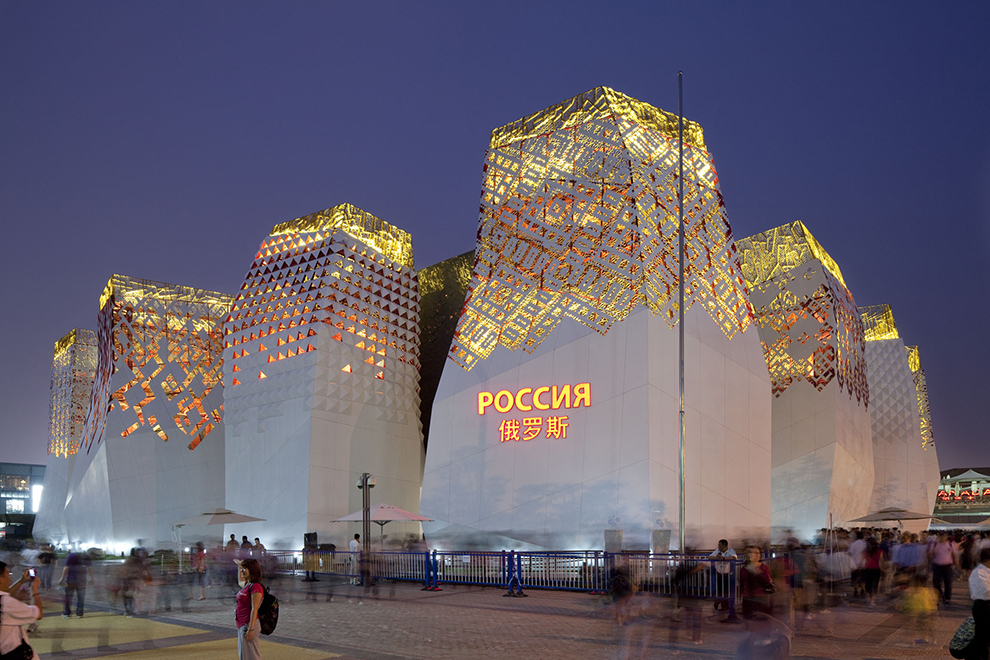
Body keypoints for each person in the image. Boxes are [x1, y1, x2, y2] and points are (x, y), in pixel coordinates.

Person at [0, 561, 43, 659]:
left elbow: (4, 594)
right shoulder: (7, 603)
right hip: (13, 653)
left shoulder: (4, 601)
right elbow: (38, 613)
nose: (9, 577)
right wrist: (34, 590)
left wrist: (21, 581)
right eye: (7, 574)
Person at [235, 558, 264, 660]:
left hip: (249, 624)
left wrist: (251, 629)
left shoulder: (256, 587)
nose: (243, 570)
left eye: (245, 568)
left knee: (252, 656)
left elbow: (254, 608)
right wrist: (239, 567)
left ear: (252, 570)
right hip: (242, 624)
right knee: (244, 655)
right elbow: (240, 581)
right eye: (242, 568)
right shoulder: (248, 585)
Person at [739, 546, 773, 619]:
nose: (753, 555)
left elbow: (767, 582)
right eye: (749, 552)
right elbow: (742, 583)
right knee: (748, 621)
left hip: (761, 597)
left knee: (761, 621)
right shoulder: (744, 569)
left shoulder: (763, 567)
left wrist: (756, 571)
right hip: (748, 598)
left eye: (756, 553)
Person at [59, 551, 93, 618]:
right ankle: (79, 613)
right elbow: (90, 568)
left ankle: (67, 613)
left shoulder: (71, 555)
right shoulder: (86, 556)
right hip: (82, 579)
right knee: (81, 597)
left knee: (68, 596)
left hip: (71, 579)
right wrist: (92, 578)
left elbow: (66, 567)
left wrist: (62, 579)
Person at [970, 547, 990, 660]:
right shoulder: (979, 573)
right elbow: (986, 592)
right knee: (984, 637)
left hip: (986, 605)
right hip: (984, 607)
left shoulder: (986, 572)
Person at [709, 539, 737, 613]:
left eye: (720, 545)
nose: (718, 546)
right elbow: (710, 557)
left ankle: (725, 606)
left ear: (725, 546)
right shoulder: (717, 551)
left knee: (726, 590)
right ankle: (718, 602)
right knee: (718, 589)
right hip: (719, 573)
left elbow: (734, 557)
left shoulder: (731, 551)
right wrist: (717, 557)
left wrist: (724, 558)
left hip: (727, 574)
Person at [931, 532, 959, 604]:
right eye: (940, 536)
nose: (942, 538)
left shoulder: (950, 544)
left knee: (948, 583)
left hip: (947, 566)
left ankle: (947, 598)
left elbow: (954, 555)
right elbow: (931, 554)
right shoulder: (935, 544)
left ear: (946, 537)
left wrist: (957, 564)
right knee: (936, 583)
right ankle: (939, 597)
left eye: (943, 536)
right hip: (937, 565)